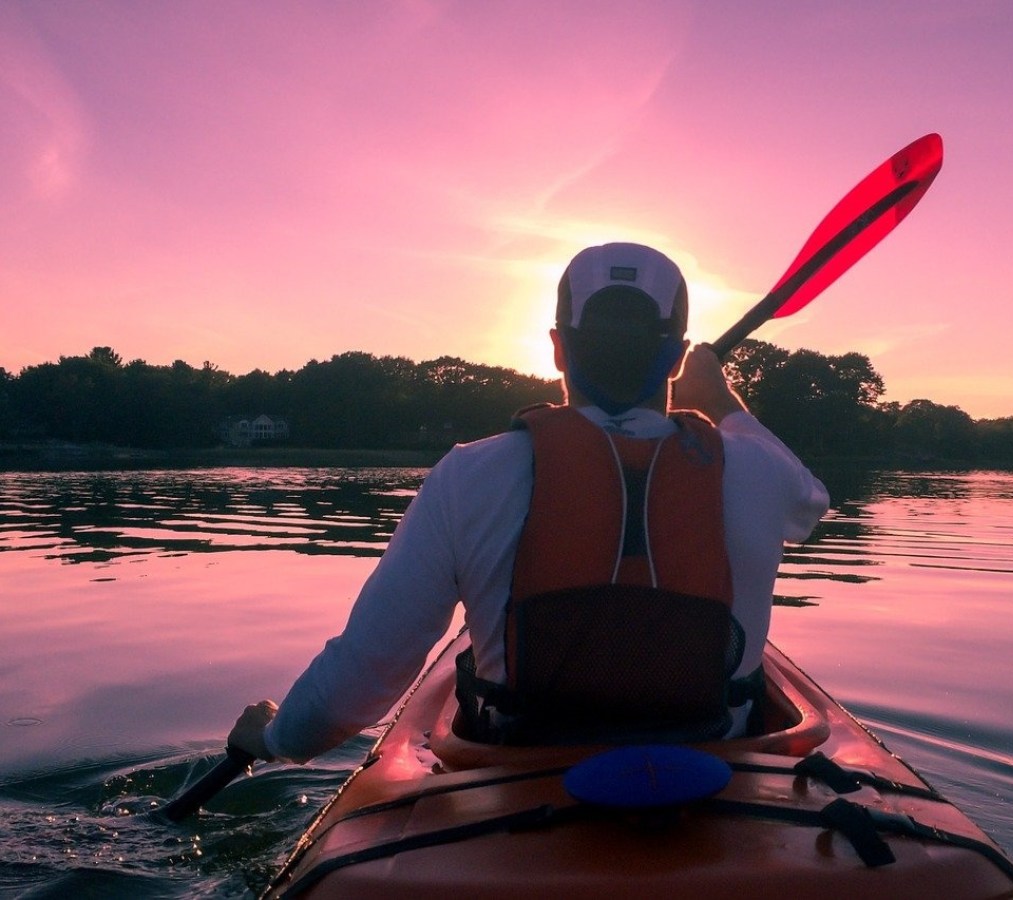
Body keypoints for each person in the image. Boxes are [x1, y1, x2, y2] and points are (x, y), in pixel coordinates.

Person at [229, 242, 829, 760]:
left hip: (520, 777)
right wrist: (720, 399)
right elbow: (811, 503)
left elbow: (358, 682)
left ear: (558, 349)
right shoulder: (757, 471)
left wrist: (276, 738)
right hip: (718, 777)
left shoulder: (469, 475)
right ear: (675, 357)